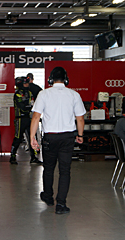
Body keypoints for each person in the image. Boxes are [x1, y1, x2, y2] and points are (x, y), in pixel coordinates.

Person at [30, 67, 86, 214]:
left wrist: (32, 138)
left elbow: (36, 117)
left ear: (50, 79)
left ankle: (48, 196)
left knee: (48, 168)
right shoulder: (74, 95)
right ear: (66, 79)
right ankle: (61, 204)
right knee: (65, 171)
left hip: (50, 137)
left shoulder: (44, 94)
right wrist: (80, 135)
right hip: (67, 138)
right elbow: (80, 118)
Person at [10, 76, 42, 165]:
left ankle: (33, 157)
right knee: (18, 138)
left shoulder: (30, 93)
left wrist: (30, 107)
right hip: (20, 119)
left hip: (28, 118)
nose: (27, 85)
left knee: (31, 137)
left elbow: (32, 105)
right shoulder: (17, 94)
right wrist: (30, 107)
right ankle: (12, 156)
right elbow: (23, 107)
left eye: (27, 83)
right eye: (25, 83)